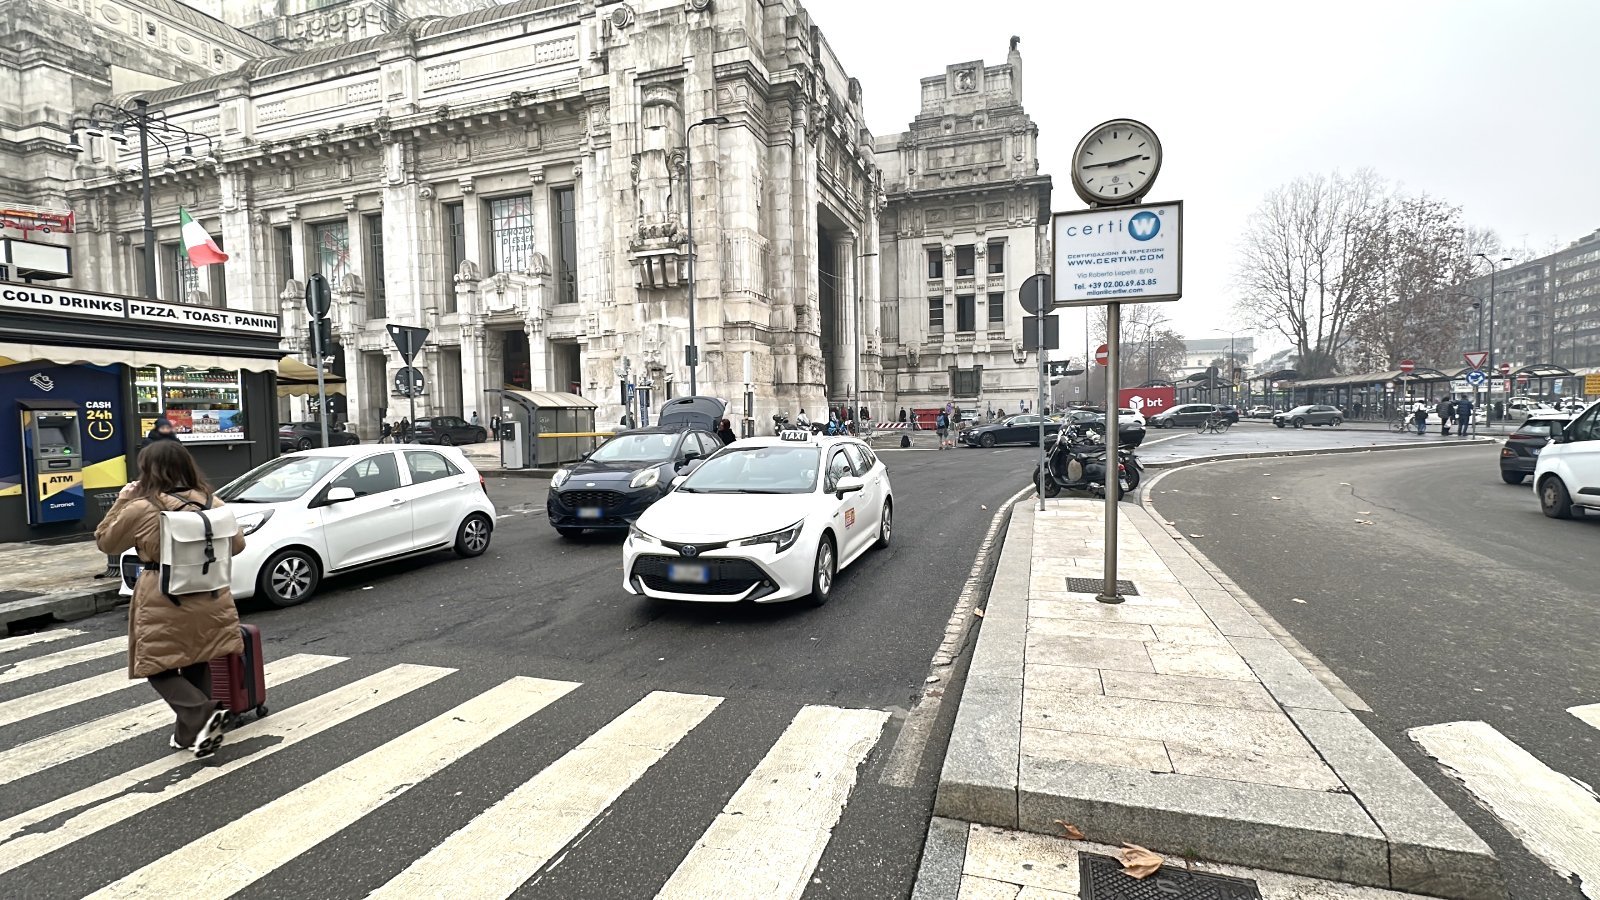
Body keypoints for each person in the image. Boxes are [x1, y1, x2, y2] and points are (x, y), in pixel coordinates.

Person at [94, 440, 245, 758]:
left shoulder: (142, 507)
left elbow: (107, 543)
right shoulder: (212, 503)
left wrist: (121, 501)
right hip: (210, 592)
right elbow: (238, 545)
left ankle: (204, 712)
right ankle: (191, 736)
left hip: (163, 594)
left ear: (149, 471)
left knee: (156, 666)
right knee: (197, 658)